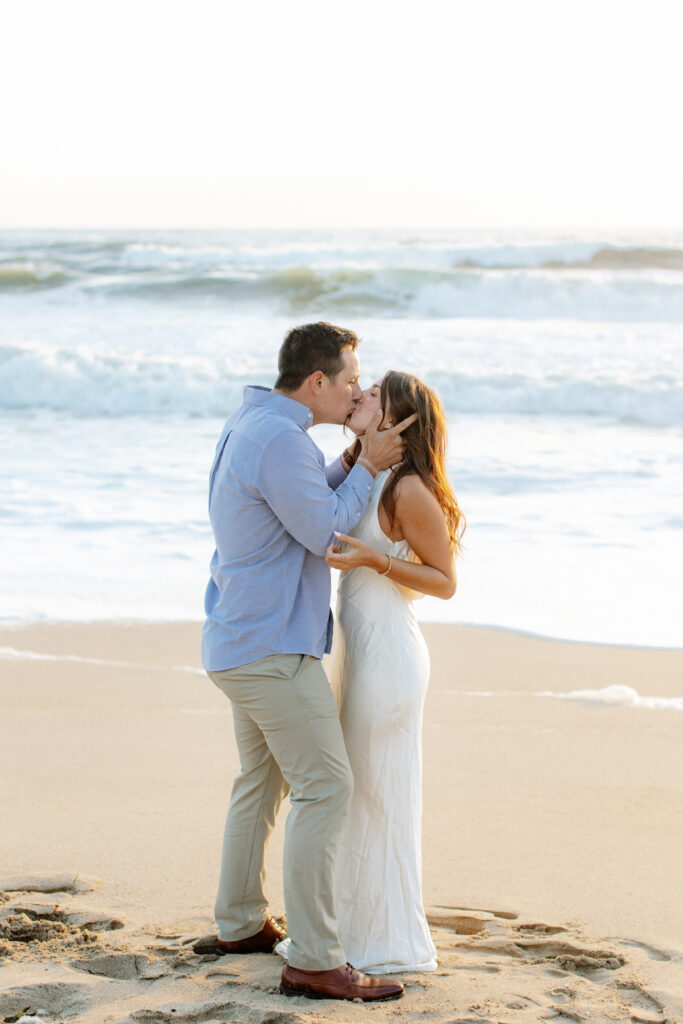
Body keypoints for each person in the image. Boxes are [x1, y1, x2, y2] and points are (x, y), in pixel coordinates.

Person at [201, 323, 416, 1003]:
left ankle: (238, 923)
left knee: (259, 784)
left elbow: (304, 498)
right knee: (325, 789)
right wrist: (373, 465)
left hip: (241, 640)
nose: (357, 389)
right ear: (318, 382)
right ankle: (316, 960)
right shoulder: (278, 439)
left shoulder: (260, 425)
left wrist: (354, 460)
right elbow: (324, 532)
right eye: (350, 379)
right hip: (270, 650)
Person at [325, 370, 465, 974]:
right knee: (359, 796)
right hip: (359, 654)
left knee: (376, 797)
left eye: (376, 393)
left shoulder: (407, 490)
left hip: (390, 662)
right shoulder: (362, 471)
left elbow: (446, 583)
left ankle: (381, 944)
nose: (361, 395)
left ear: (401, 421)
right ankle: (348, 933)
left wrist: (375, 559)